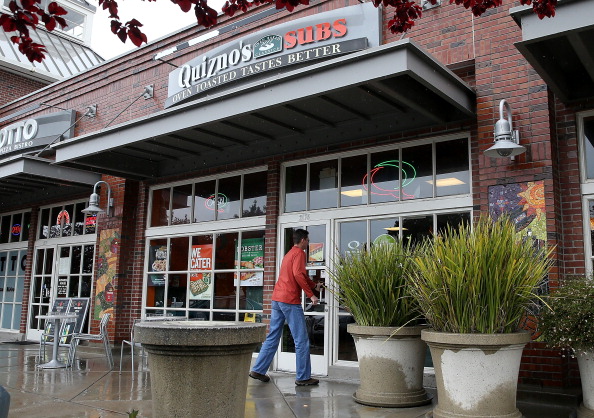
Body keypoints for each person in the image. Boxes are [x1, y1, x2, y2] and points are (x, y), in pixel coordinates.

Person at [249, 228, 321, 386]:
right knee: (301, 340)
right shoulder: (300, 253)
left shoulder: (288, 254)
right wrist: (311, 295)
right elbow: (298, 274)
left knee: (273, 336)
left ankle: (258, 370)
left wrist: (314, 285)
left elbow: (299, 275)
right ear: (303, 240)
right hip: (289, 300)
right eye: (308, 240)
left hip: (277, 299)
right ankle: (303, 377)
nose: (308, 243)